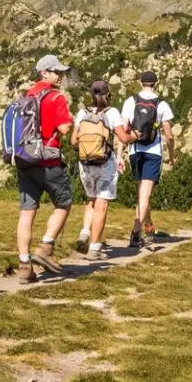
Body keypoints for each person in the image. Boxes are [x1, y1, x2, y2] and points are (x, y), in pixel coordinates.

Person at [16, 54, 73, 284]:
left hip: (25, 162)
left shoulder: (26, 96)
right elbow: (65, 128)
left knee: (26, 213)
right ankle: (46, 247)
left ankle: (24, 266)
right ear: (44, 73)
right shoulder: (55, 97)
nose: (60, 76)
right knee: (64, 202)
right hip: (48, 162)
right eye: (56, 71)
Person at [71, 80, 138, 260]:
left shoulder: (81, 113)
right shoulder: (112, 112)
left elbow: (73, 141)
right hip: (105, 163)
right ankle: (94, 248)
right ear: (108, 95)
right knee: (101, 204)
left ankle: (85, 233)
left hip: (85, 163)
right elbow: (123, 137)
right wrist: (136, 135)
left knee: (91, 200)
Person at [121, 70, 175, 248]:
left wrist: (119, 153)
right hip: (153, 151)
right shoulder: (161, 104)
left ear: (140, 83)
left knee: (142, 195)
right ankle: (136, 233)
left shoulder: (131, 101)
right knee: (145, 194)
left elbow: (123, 130)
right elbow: (169, 136)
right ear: (156, 84)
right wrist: (172, 157)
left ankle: (149, 228)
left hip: (134, 150)